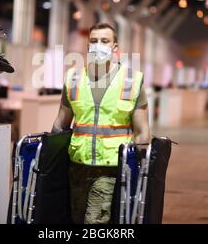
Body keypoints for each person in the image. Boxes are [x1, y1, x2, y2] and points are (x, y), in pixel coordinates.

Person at [51, 23, 150, 224]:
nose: (98, 45)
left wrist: (140, 168)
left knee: (94, 221)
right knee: (76, 219)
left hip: (110, 168)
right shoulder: (73, 78)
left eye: (104, 41)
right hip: (77, 166)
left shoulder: (131, 80)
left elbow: (142, 131)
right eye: (94, 41)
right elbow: (61, 123)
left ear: (115, 47)